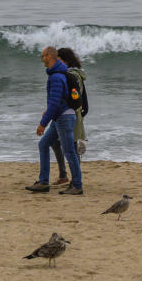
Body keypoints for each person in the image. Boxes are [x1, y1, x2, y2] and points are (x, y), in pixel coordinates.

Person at [25, 46, 82, 195]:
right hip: (60, 117)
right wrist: (49, 113)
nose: (42, 59)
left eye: (43, 56)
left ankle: (77, 185)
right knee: (43, 144)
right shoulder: (57, 74)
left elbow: (55, 103)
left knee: (69, 151)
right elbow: (55, 102)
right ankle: (43, 182)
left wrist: (42, 123)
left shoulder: (56, 77)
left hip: (64, 117)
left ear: (49, 56)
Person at [47, 47, 88, 184]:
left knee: (71, 146)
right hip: (68, 113)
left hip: (69, 114)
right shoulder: (75, 74)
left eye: (58, 60)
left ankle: (74, 179)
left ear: (65, 60)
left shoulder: (71, 74)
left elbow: (71, 96)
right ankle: (64, 175)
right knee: (56, 142)